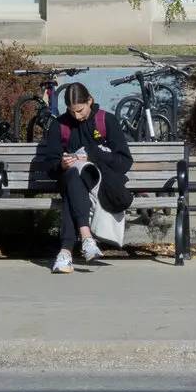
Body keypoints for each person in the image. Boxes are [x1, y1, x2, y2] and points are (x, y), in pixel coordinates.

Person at [28, 82, 135, 275]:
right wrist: (61, 164)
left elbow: (124, 162)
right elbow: (50, 164)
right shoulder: (60, 125)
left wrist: (93, 156)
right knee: (72, 175)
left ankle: (65, 252)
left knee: (73, 185)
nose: (77, 116)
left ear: (90, 101)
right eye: (72, 111)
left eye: (80, 110)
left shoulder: (106, 121)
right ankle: (86, 237)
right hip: (69, 180)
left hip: (100, 183)